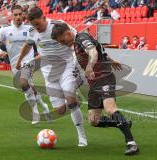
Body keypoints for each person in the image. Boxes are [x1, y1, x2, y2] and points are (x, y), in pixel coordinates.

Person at [51, 22, 140, 155]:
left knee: (110, 109)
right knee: (94, 121)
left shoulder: (81, 38)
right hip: (94, 82)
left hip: (104, 77)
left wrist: (89, 66)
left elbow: (93, 51)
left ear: (68, 33)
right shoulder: (76, 42)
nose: (62, 44)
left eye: (63, 41)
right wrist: (110, 59)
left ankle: (131, 143)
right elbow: (99, 49)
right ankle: (123, 123)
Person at [15, 7, 87, 147]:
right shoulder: (32, 31)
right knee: (60, 110)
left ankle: (82, 137)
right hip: (49, 73)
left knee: (70, 101)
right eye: (33, 25)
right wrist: (19, 60)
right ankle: (73, 101)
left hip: (66, 67)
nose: (37, 28)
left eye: (38, 24)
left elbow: (76, 36)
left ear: (44, 17)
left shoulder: (58, 24)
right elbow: (28, 46)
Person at [0, 5, 50, 125]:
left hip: (29, 61)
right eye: (15, 14)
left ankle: (35, 113)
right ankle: (43, 105)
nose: (18, 17)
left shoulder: (30, 29)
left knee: (24, 83)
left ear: (24, 14)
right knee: (28, 86)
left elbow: (40, 41)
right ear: (11, 15)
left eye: (20, 14)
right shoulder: (5, 30)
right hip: (14, 64)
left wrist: (39, 53)